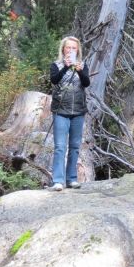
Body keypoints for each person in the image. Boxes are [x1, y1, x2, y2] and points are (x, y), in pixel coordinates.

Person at [49, 36, 90, 191]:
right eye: (68, 47)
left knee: (74, 146)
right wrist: (66, 67)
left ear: (77, 50)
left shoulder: (83, 65)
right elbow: (54, 80)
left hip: (78, 111)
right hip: (61, 111)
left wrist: (79, 71)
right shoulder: (56, 65)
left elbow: (86, 83)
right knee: (60, 147)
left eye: (74, 48)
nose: (71, 50)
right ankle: (58, 180)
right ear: (63, 49)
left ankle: (71, 179)